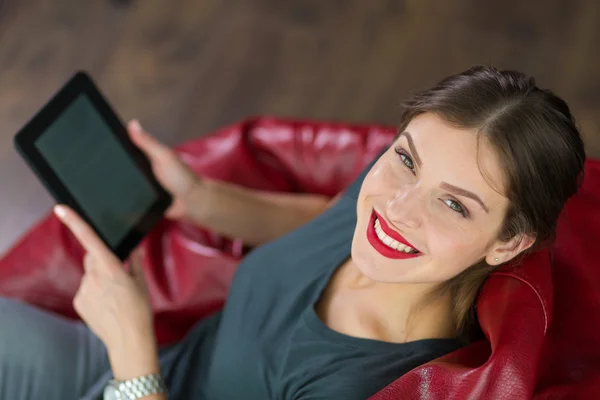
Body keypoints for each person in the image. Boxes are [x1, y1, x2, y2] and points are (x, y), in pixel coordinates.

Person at [0, 65, 586, 400]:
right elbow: (321, 219)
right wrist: (199, 197)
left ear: (508, 243)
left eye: (454, 206)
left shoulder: (360, 386)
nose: (397, 209)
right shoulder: (383, 193)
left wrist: (132, 353)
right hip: (133, 363)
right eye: (407, 159)